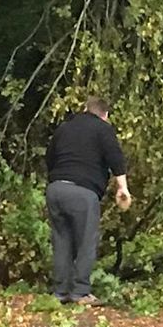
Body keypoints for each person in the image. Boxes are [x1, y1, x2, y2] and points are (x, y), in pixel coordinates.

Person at [45, 96, 131, 306]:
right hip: (83, 192)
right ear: (105, 115)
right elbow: (115, 159)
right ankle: (80, 292)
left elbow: (49, 157)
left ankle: (60, 291)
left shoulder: (64, 128)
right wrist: (123, 187)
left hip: (56, 189)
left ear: (85, 109)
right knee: (86, 242)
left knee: (62, 241)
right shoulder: (103, 129)